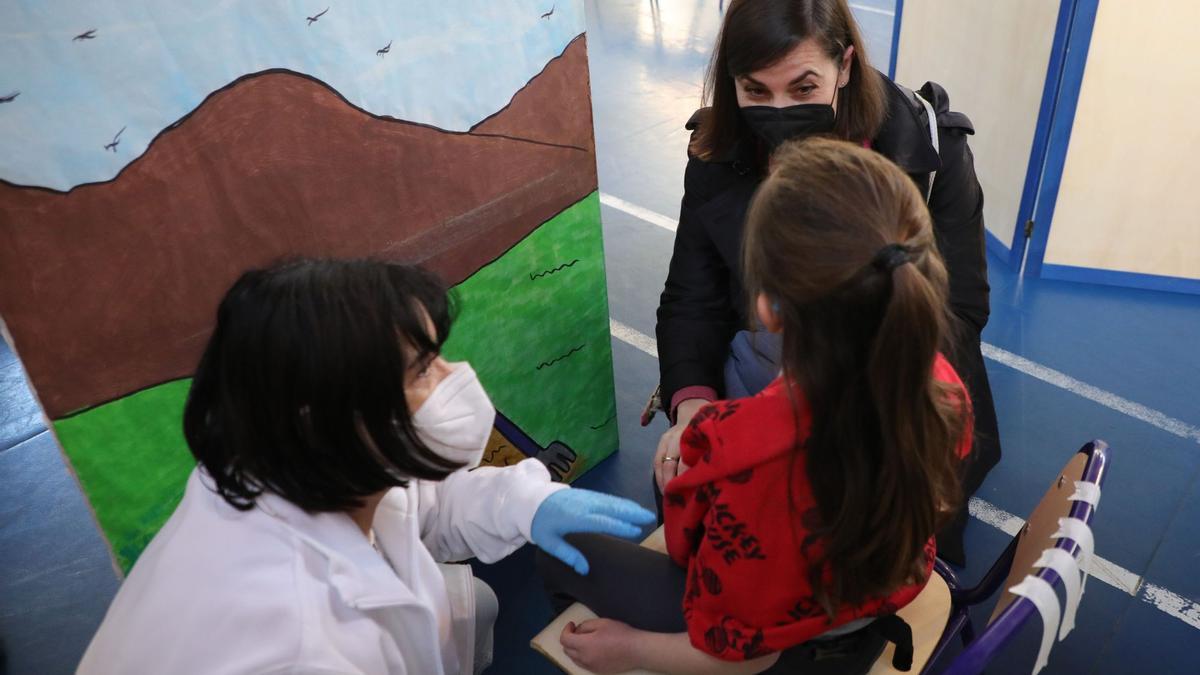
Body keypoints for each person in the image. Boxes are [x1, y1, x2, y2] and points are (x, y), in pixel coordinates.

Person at [77, 259, 654, 675]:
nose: (458, 377)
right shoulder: (300, 649)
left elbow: (415, 504)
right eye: (424, 370)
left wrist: (527, 501)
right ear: (326, 415)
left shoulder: (291, 460)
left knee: (472, 605)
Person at [540, 138, 973, 674]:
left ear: (766, 306)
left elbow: (747, 657)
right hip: (875, 592)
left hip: (790, 641)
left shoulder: (751, 463)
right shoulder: (941, 389)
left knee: (557, 543)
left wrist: (628, 648)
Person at [652, 0, 997, 564]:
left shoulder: (932, 153)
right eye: (755, 91)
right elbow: (693, 297)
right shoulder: (717, 153)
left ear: (846, 66)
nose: (779, 109)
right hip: (759, 396)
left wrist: (853, 409)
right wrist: (692, 403)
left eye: (803, 86)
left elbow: (958, 312)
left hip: (887, 402)